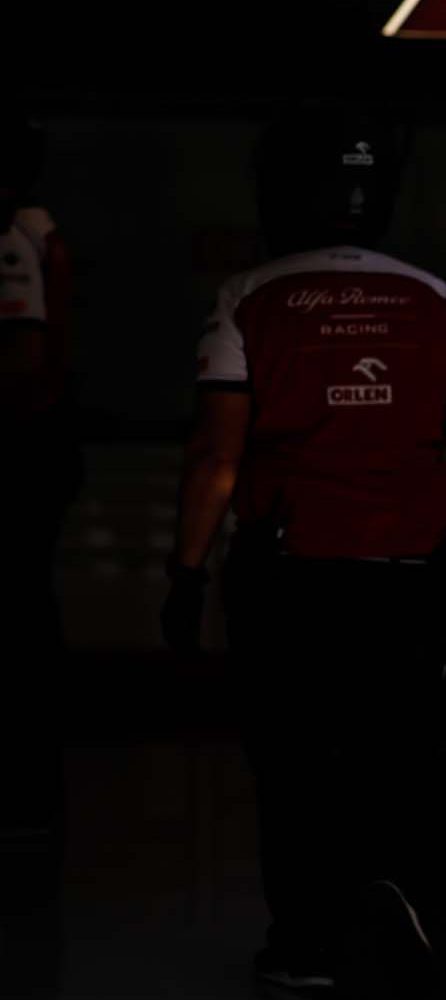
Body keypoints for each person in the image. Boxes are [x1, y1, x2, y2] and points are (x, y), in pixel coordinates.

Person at [158, 107, 446, 999]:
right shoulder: (437, 299)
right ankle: (404, 936)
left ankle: (307, 948)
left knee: (294, 762)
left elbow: (216, 459)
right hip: (410, 575)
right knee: (402, 757)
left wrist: (185, 571)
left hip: (288, 576)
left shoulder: (248, 298)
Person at [0, 106, 78, 997]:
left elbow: (23, 362)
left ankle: (23, 799)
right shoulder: (37, 232)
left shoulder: (18, 238)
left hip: (19, 458)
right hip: (34, 455)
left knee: (19, 618)